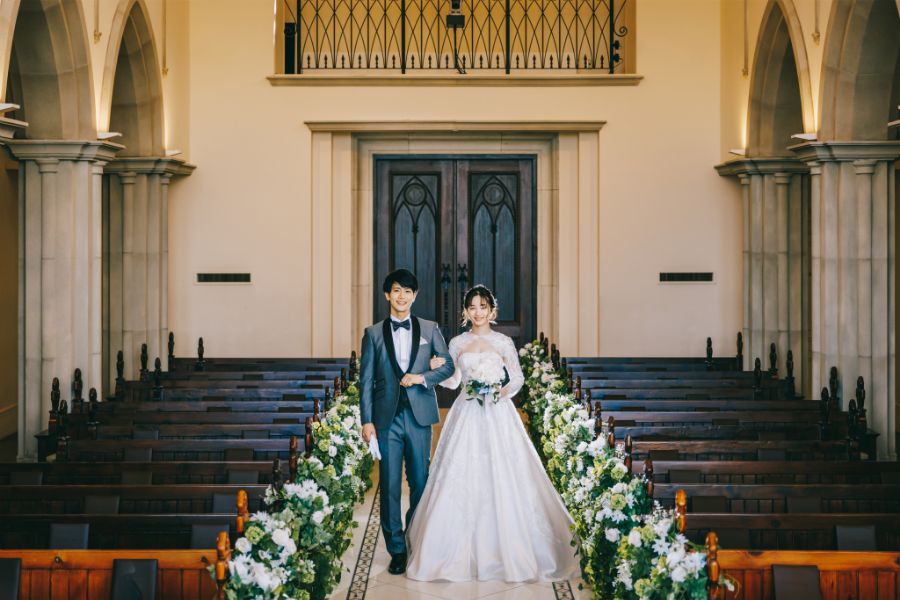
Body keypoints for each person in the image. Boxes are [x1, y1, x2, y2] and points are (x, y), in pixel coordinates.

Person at [405, 284, 580, 582]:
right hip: (467, 411)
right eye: (472, 307)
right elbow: (453, 381)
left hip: (498, 412)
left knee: (504, 473)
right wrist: (435, 369)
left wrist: (500, 392)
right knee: (460, 473)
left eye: (482, 307)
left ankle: (510, 551)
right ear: (465, 311)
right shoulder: (458, 343)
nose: (477, 312)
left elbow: (517, 378)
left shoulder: (502, 342)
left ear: (491, 310)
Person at [358, 269, 455, 575]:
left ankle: (416, 534)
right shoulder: (372, 334)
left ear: (415, 296)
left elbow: (448, 366)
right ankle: (396, 549)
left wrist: (423, 377)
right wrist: (367, 421)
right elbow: (366, 380)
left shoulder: (429, 328)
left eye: (408, 291)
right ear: (388, 295)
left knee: (420, 481)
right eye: (396, 291)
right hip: (386, 420)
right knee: (387, 485)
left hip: (419, 416)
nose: (402, 296)